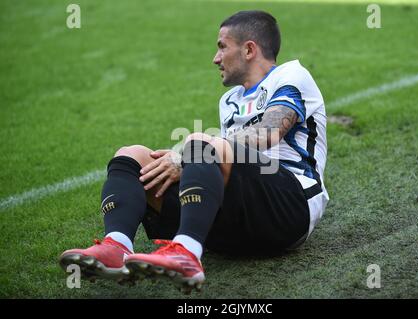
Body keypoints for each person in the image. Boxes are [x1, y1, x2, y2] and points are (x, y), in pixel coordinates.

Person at [59, 10, 329, 292]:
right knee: (133, 155)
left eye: (222, 47)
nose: (216, 58)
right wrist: (185, 159)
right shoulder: (230, 100)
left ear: (249, 49)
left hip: (290, 210)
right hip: (237, 227)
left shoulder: (291, 75)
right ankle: (117, 246)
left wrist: (190, 153)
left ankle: (186, 252)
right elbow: (223, 160)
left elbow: (268, 132)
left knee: (200, 142)